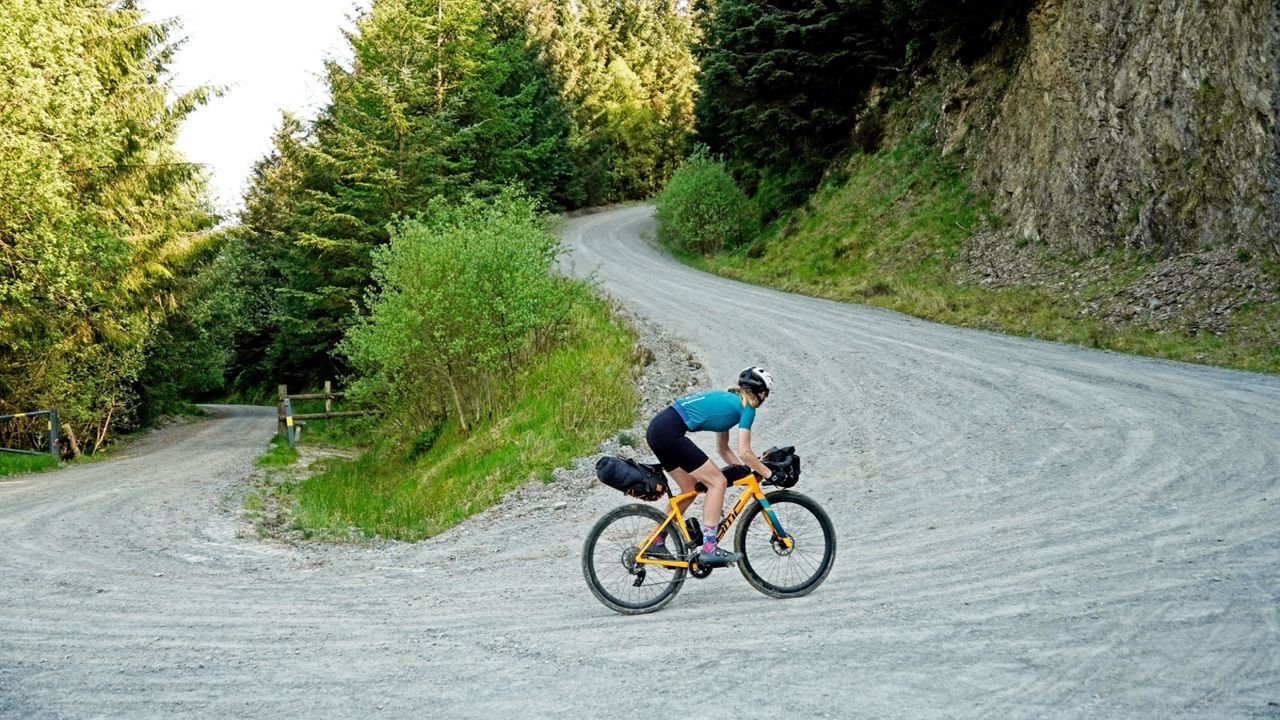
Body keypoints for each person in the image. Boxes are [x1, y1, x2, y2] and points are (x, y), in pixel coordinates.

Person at [645, 366, 777, 566]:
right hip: (669, 432)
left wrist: (746, 470)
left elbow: (723, 449)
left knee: (689, 488)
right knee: (717, 482)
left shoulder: (730, 401)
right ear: (762, 393)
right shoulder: (747, 407)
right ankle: (709, 548)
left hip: (658, 429)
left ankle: (656, 540)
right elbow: (745, 451)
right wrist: (769, 474)